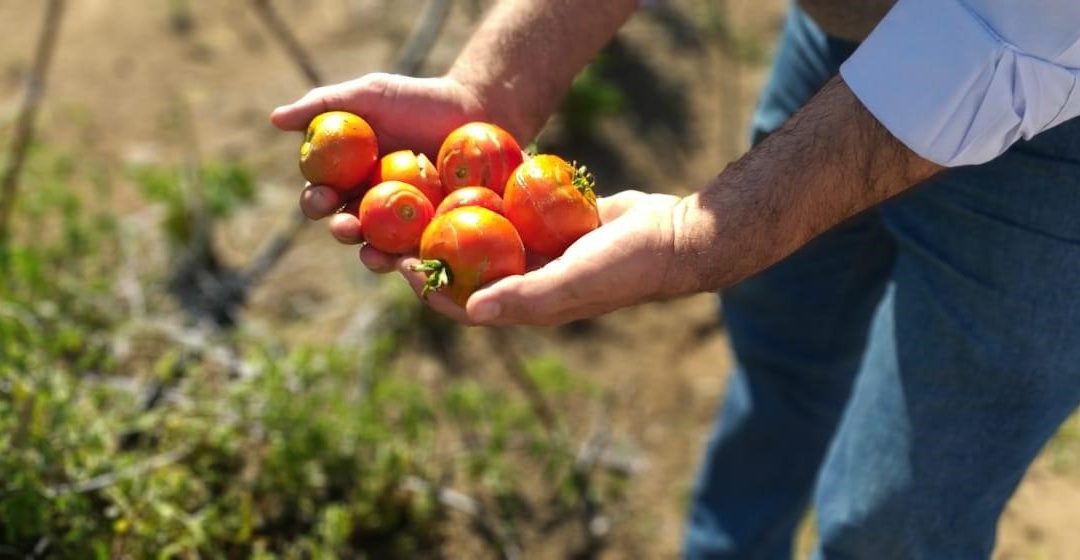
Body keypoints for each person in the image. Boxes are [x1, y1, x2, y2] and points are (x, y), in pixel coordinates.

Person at [272, 0, 1080, 557]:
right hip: (853, 33)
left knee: (897, 519)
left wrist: (704, 238)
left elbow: (1013, 29)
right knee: (780, 359)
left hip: (1056, 111)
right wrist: (493, 89)